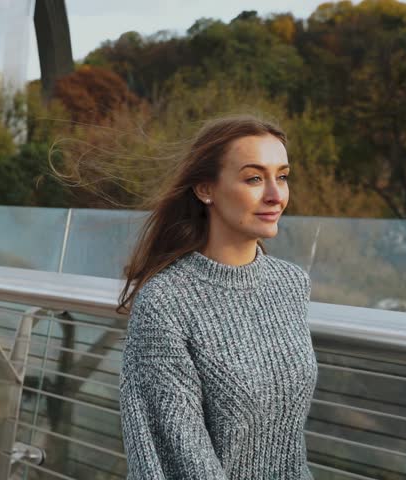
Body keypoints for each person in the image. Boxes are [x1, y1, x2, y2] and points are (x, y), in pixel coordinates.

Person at [117, 115, 316, 479]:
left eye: (282, 176)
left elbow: (289, 447)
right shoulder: (165, 304)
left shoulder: (291, 284)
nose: (276, 195)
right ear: (205, 189)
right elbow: (174, 459)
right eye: (254, 178)